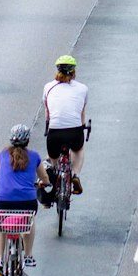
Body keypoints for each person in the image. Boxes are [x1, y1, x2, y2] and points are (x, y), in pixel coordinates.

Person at [0, 124, 48, 276]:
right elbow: (44, 178)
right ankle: (28, 256)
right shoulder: (34, 156)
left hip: (2, 202)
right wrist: (42, 183)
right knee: (29, 222)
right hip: (27, 202)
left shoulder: (3, 155)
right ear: (28, 140)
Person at [42, 55, 90, 195]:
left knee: (53, 160)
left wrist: (49, 125)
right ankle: (75, 175)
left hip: (54, 132)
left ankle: (55, 173)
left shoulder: (48, 87)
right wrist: (82, 126)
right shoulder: (83, 88)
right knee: (78, 150)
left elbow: (47, 112)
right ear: (74, 71)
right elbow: (81, 112)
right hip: (74, 131)